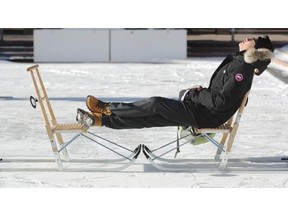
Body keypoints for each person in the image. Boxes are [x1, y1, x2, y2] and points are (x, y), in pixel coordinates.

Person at [76, 35, 274, 130]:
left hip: (206, 116)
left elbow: (220, 102)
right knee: (152, 116)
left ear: (256, 51)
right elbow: (220, 95)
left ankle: (108, 108)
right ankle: (101, 121)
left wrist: (193, 94)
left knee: (155, 104)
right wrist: (199, 92)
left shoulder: (242, 70)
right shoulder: (239, 64)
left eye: (252, 39)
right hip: (202, 111)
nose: (247, 38)